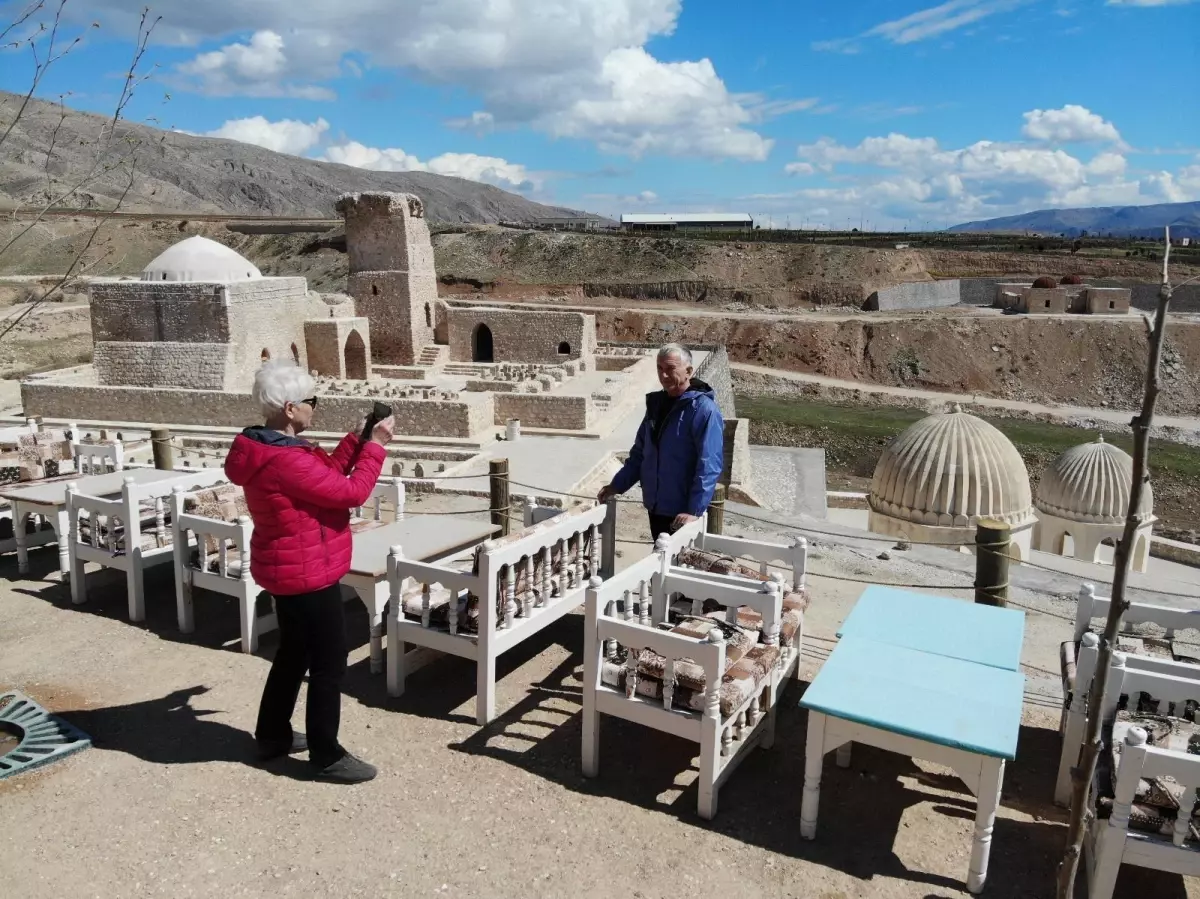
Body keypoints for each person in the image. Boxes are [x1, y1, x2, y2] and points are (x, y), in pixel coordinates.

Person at [224, 360, 395, 784]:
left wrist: (356, 439)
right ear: (289, 408)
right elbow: (351, 492)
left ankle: (272, 735)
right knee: (329, 663)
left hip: (289, 566)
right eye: (310, 402)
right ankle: (326, 753)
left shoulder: (269, 449)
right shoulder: (286, 460)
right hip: (307, 571)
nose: (314, 408)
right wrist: (376, 447)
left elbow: (326, 477)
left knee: (293, 654)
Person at [598, 344, 725, 540]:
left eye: (670, 369)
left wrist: (694, 510)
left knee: (677, 564)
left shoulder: (704, 410)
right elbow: (641, 453)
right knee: (660, 556)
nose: (664, 375)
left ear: (688, 371)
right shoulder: (656, 405)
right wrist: (617, 486)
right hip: (656, 505)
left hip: (683, 512)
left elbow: (709, 465)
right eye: (660, 368)